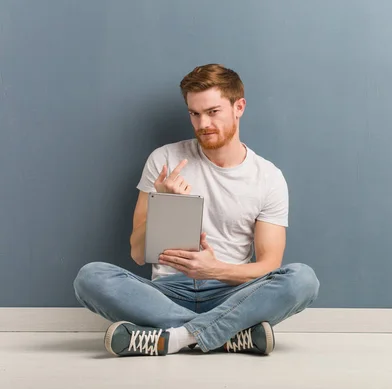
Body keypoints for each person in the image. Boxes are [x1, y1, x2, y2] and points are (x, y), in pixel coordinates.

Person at [73, 64, 320, 357]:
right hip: (166, 292)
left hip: (230, 293)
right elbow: (137, 254)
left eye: (213, 112)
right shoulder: (164, 159)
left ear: (238, 107)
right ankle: (227, 336)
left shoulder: (268, 177)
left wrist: (213, 269)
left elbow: (268, 266)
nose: (203, 123)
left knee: (303, 279)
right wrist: (162, 203)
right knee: (90, 277)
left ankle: (175, 338)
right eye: (194, 113)